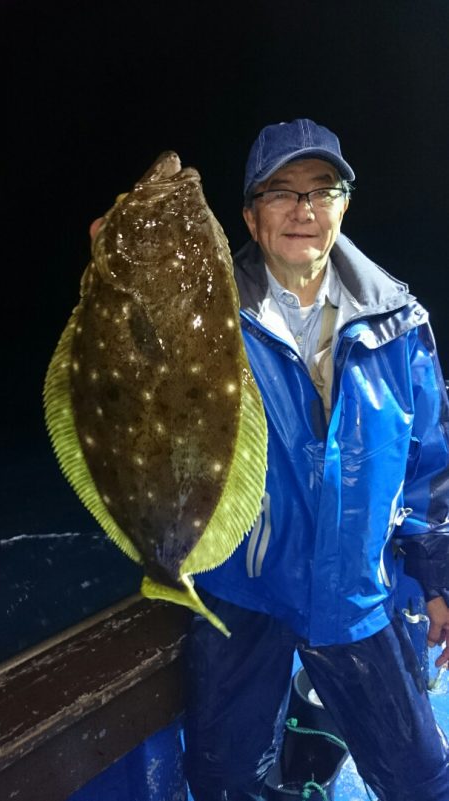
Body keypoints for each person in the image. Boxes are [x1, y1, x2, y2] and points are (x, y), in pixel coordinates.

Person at [183, 119, 449, 801]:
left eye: (320, 189)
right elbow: (136, 373)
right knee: (218, 775)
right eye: (281, 192)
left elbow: (427, 467)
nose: (303, 208)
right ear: (249, 213)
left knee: (420, 780)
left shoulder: (400, 321)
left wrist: (438, 575)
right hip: (245, 588)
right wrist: (114, 274)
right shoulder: (203, 316)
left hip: (357, 591)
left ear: (343, 205)